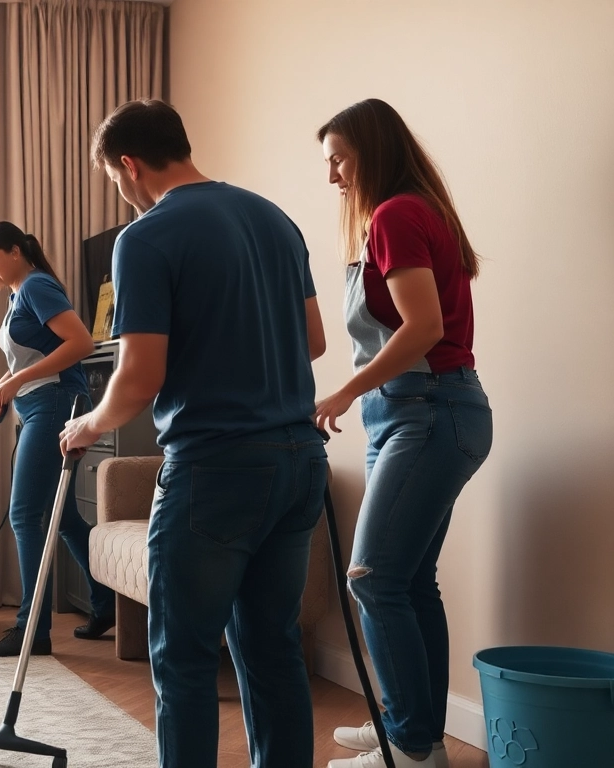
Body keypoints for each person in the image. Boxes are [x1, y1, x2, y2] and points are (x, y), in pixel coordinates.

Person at [60, 99, 328, 768]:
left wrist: (88, 424)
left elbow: (140, 376)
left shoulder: (146, 237)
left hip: (216, 469)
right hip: (299, 462)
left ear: (129, 165)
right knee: (271, 650)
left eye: (115, 179)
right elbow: (314, 342)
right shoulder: (274, 218)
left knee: (182, 657)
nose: (121, 194)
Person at [316, 99, 492, 768]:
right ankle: (408, 724)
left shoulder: (395, 214)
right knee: (412, 582)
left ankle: (414, 748)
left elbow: (423, 330)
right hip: (427, 414)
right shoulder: (414, 212)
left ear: (370, 151)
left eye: (339, 158)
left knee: (373, 579)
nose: (332, 175)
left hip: (428, 413)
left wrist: (343, 391)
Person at [0, 221, 116, 657]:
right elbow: (33, 355)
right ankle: (105, 600)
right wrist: (3, 384)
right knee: (66, 517)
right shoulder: (19, 294)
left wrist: (16, 381)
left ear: (16, 251)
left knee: (24, 515)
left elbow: (79, 344)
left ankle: (31, 630)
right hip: (38, 406)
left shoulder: (36, 286)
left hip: (55, 405)